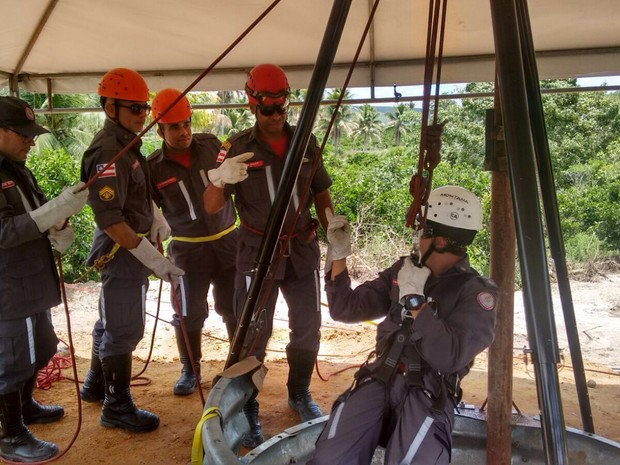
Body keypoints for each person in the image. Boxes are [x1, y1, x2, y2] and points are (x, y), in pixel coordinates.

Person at [308, 185, 498, 465]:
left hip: (429, 391)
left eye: (423, 231)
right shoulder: (404, 270)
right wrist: (338, 255)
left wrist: (416, 304)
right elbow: (345, 308)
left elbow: (451, 356)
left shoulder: (476, 292)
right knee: (330, 459)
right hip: (379, 378)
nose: (416, 238)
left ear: (441, 241)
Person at [203, 63, 334, 447]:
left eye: (282, 107)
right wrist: (219, 178)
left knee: (308, 325)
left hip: (302, 250)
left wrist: (334, 229)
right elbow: (211, 206)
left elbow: (321, 192)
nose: (276, 116)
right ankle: (248, 408)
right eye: (268, 109)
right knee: (252, 334)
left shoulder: (305, 142)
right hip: (257, 251)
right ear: (251, 103)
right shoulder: (237, 149)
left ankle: (299, 392)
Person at [79, 68, 184, 433]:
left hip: (133, 246)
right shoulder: (109, 150)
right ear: (111, 107)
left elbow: (133, 197)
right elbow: (111, 220)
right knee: (125, 328)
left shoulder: (126, 143)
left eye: (143, 108)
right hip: (123, 251)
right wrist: (155, 260)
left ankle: (96, 385)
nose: (142, 115)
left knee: (112, 321)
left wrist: (152, 217)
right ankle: (117, 405)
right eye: (134, 108)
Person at [0, 96, 88, 462]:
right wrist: (52, 211)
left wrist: (57, 221)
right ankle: (11, 433)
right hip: (8, 289)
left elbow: (35, 218)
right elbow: (3, 233)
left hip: (32, 281)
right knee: (13, 361)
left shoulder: (18, 170)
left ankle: (27, 407)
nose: (30, 141)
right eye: (22, 134)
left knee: (42, 349)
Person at [147, 88, 239, 396]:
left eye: (186, 123)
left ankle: (235, 366)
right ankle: (191, 369)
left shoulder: (212, 146)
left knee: (234, 307)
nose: (184, 131)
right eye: (175, 126)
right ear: (160, 129)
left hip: (228, 243)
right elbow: (149, 210)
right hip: (186, 249)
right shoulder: (153, 167)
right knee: (187, 313)